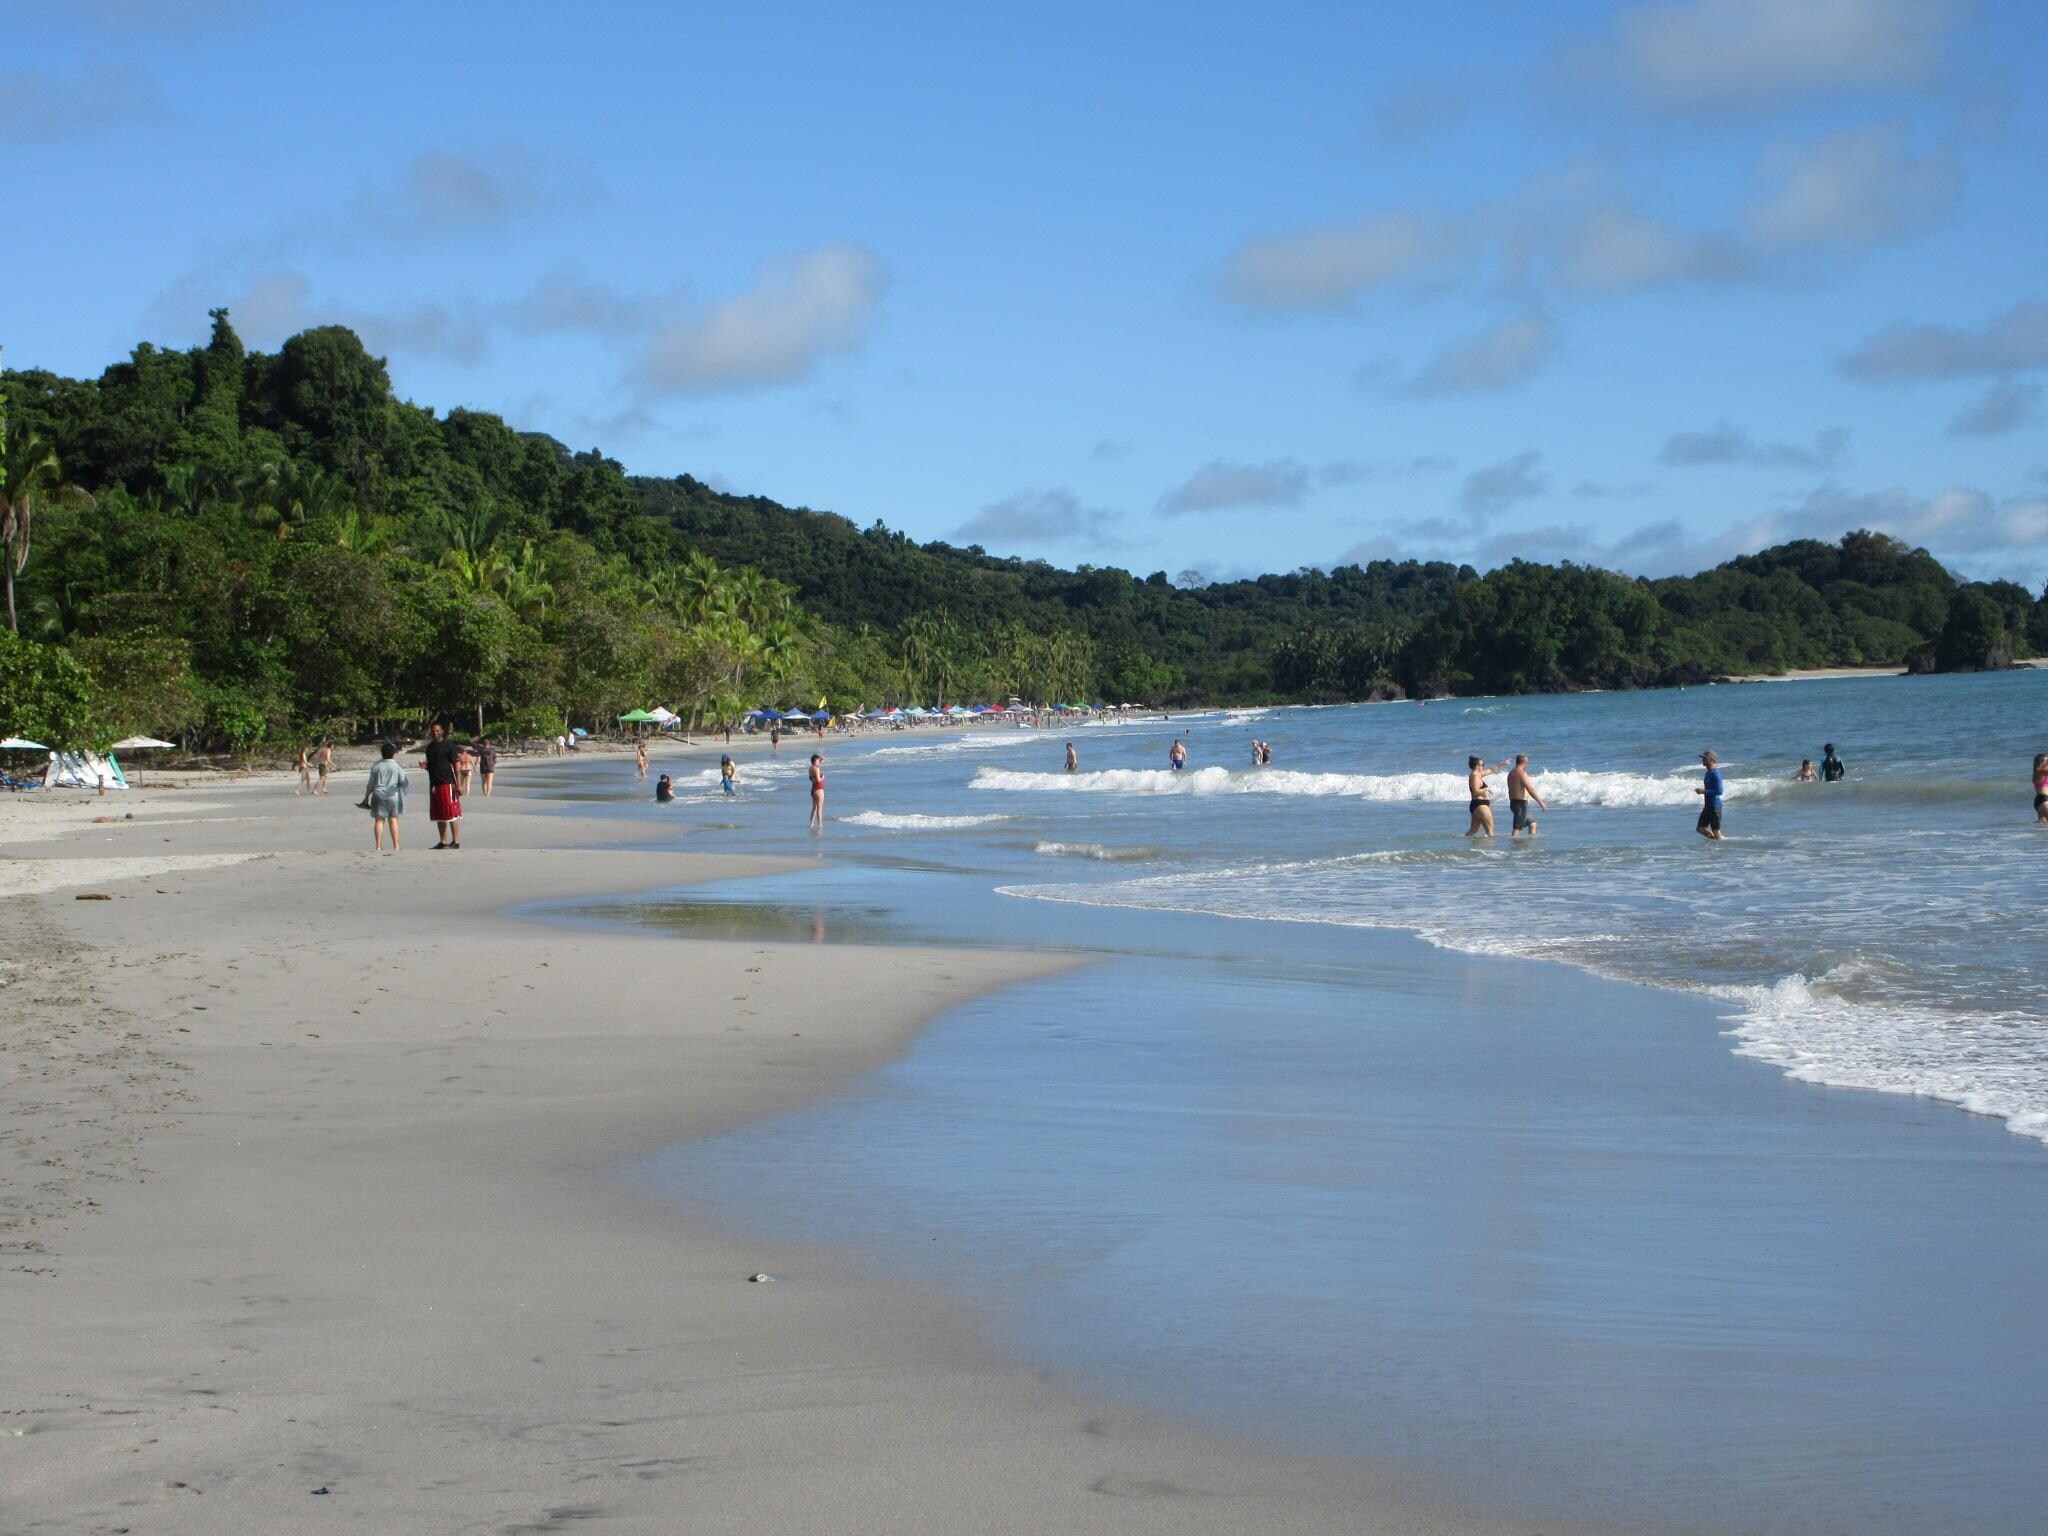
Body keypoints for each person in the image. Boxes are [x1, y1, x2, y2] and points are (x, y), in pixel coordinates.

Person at [419, 721, 463, 849]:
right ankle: (443, 841)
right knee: (439, 814)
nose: (435, 733)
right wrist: (425, 767)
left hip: (448, 782)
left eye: (437, 731)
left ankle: (456, 841)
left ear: (442, 731)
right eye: (433, 731)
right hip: (434, 784)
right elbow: (431, 766)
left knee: (452, 812)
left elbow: (456, 765)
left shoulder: (449, 745)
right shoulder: (430, 747)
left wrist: (459, 784)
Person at [363, 741, 407, 853]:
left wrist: (366, 797)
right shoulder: (397, 766)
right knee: (393, 820)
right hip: (393, 796)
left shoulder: (376, 765)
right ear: (393, 753)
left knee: (379, 820)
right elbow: (402, 782)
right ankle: (396, 846)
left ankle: (378, 846)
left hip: (378, 795)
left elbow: (371, 784)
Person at [1505, 753, 1547, 836]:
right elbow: (1530, 789)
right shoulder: (1521, 773)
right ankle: (1515, 847)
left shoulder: (1511, 772)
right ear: (1524, 762)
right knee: (1517, 828)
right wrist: (1540, 802)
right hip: (1520, 805)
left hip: (1514, 803)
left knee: (1532, 824)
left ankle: (1528, 846)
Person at [1465, 755, 1505, 838]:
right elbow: (1476, 792)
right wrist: (1486, 790)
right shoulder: (1475, 776)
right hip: (1480, 805)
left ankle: (1465, 845)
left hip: (1477, 805)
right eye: (1482, 765)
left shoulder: (1477, 774)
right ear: (1476, 766)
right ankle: (1489, 850)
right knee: (1490, 830)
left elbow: (1490, 770)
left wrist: (1501, 764)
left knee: (1473, 830)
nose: (1483, 766)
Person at [1695, 750, 1725, 840]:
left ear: (1712, 760)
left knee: (1716, 831)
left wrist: (1703, 791)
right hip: (1708, 806)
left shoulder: (1715, 774)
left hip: (1715, 806)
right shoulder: (1708, 772)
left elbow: (1720, 791)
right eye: (1702, 758)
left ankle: (1722, 844)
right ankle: (1717, 842)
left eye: (1705, 758)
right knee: (1700, 828)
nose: (1703, 760)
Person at [808, 752, 825, 832]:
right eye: (818, 760)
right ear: (815, 760)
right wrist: (823, 778)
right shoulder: (817, 769)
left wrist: (820, 759)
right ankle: (820, 825)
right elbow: (818, 780)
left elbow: (812, 777)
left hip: (813, 789)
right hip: (819, 789)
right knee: (820, 808)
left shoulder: (811, 768)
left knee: (814, 808)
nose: (819, 761)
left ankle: (811, 823)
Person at [2033, 753, 2048, 824]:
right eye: (2046, 760)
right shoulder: (2039, 772)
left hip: (2041, 800)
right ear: (2041, 762)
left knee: (2043, 824)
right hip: (2043, 800)